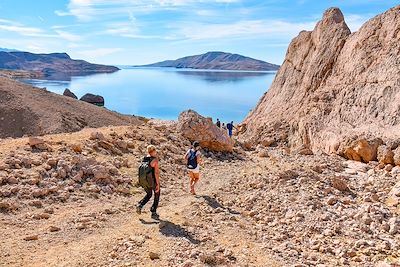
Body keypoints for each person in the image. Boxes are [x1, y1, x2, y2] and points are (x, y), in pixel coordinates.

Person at [136, 145, 160, 219]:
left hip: (144, 181)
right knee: (157, 194)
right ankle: (153, 212)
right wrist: (158, 184)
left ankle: (140, 205)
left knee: (149, 194)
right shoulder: (154, 160)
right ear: (154, 151)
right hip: (152, 180)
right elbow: (156, 173)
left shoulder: (144, 159)